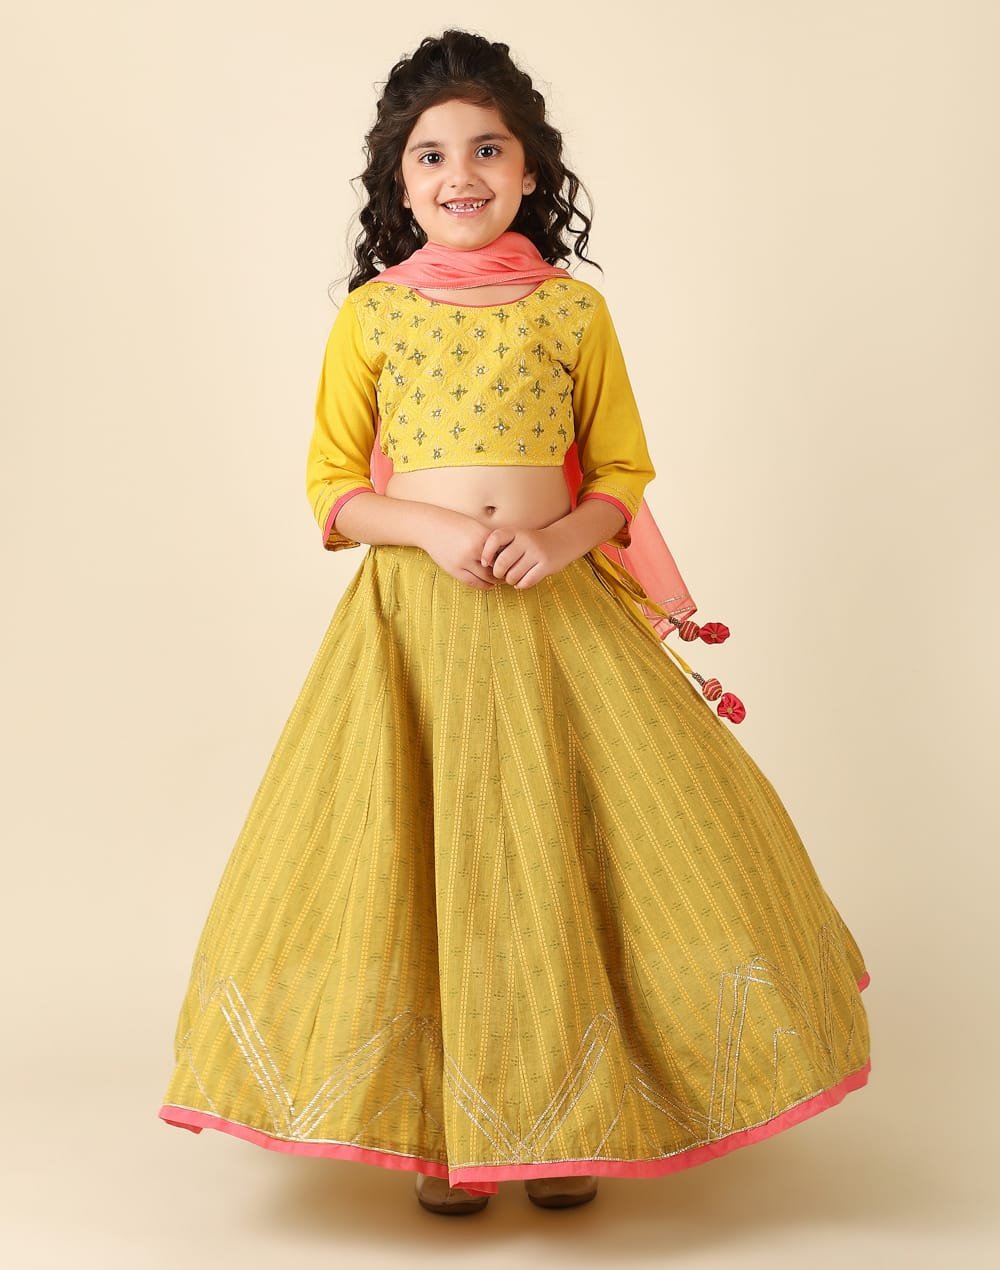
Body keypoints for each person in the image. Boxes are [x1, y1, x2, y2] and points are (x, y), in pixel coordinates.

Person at [157, 29, 872, 1218]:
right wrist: (431, 530)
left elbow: (622, 470)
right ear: (398, 185)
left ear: (531, 169)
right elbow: (330, 485)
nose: (462, 173)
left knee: (580, 856)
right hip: (416, 628)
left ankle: (564, 1122)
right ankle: (441, 1135)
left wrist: (558, 540)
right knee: (423, 865)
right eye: (431, 155)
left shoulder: (572, 313)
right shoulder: (372, 317)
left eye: (488, 149)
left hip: (558, 617)